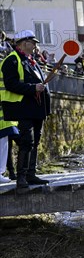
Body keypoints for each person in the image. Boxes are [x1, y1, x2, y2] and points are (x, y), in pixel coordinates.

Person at [0, 30, 50, 192]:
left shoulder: (30, 60)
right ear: (23, 43)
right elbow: (11, 84)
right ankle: (21, 177)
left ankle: (30, 174)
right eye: (33, 42)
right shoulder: (12, 60)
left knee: (35, 141)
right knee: (26, 141)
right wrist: (33, 87)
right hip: (22, 107)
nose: (35, 45)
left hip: (35, 108)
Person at [0, 95, 18, 183]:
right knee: (4, 147)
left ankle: (10, 172)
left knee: (6, 147)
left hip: (8, 121)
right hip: (5, 122)